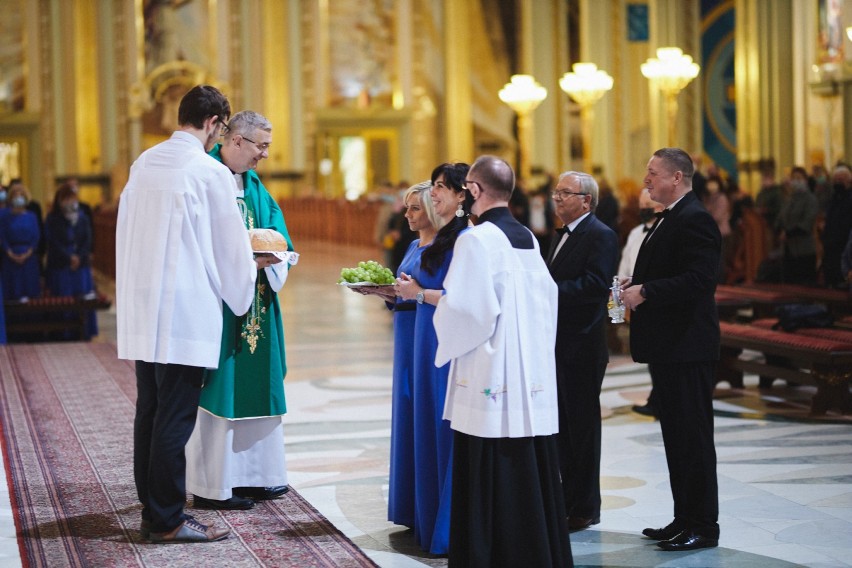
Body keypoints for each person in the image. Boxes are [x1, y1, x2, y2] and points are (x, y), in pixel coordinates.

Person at [116, 85, 260, 544]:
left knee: (151, 411)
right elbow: (229, 245)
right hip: (184, 310)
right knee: (176, 416)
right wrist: (247, 277)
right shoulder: (208, 172)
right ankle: (166, 518)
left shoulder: (145, 163)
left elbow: (126, 232)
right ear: (216, 123)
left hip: (145, 306)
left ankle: (152, 504)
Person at [433, 155, 571, 567]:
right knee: (528, 464)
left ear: (473, 191)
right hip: (527, 371)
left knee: (486, 462)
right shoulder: (527, 235)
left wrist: (440, 315)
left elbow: (468, 311)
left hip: (490, 372)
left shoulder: (476, 239)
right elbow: (549, 299)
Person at [184, 110, 294, 511]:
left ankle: (257, 477)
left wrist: (270, 259)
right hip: (219, 307)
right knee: (221, 391)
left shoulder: (255, 185)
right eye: (260, 146)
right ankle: (215, 486)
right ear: (234, 141)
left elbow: (278, 233)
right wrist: (241, 264)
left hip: (258, 304)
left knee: (258, 390)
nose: (264, 154)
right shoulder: (205, 175)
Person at [620, 147, 721, 551]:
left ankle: (704, 526)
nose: (646, 180)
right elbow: (669, 270)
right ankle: (684, 518)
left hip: (688, 346)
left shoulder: (696, 219)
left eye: (652, 173)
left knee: (693, 440)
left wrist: (647, 290)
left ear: (676, 177)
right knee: (677, 438)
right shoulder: (670, 218)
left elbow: (699, 280)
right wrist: (635, 283)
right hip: (669, 346)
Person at [394, 162, 471, 555]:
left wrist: (417, 295)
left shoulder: (462, 241)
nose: (408, 215)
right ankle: (421, 511)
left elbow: (458, 299)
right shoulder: (427, 242)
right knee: (419, 419)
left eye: (442, 187)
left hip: (439, 339)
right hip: (418, 333)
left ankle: (442, 520)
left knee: (439, 423)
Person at [358, 181, 439, 530]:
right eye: (406, 208)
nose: (406, 214)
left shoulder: (443, 248)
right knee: (407, 412)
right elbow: (403, 290)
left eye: (414, 208)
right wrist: (384, 293)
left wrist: (410, 294)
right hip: (405, 334)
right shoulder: (411, 244)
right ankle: (410, 507)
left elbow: (439, 295)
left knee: (425, 412)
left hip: (428, 332)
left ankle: (429, 507)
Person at [546, 170, 619, 532]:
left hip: (583, 344)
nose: (556, 198)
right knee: (562, 428)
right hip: (558, 343)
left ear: (586, 200)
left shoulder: (600, 235)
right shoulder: (558, 235)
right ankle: (567, 499)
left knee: (583, 430)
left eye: (565, 192)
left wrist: (545, 291)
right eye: (556, 192)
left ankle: (586, 506)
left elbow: (594, 285)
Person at [44, 182, 98, 339]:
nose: (69, 202)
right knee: (63, 301)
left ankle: (84, 332)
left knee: (82, 299)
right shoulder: (52, 218)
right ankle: (63, 332)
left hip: (80, 267)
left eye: (72, 198)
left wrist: (79, 257)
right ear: (59, 200)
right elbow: (52, 241)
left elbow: (87, 239)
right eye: (66, 198)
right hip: (61, 266)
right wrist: (69, 258)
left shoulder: (83, 218)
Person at [776, 166, 819, 284]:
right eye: (794, 178)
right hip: (788, 249)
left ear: (805, 180)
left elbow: (807, 222)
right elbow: (781, 217)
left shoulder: (810, 199)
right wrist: (780, 229)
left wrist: (789, 233)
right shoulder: (790, 199)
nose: (796, 181)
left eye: (799, 178)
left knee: (804, 285)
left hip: (804, 249)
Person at [1, 181, 42, 302]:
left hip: (28, 257)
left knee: (29, 293)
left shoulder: (31, 216)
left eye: (21, 195)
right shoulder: (5, 217)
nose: (18, 198)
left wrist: (28, 253)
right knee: (13, 293)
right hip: (10, 257)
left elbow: (36, 236)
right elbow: (3, 237)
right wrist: (10, 253)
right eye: (15, 195)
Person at [820, 164, 852, 288]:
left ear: (849, 181)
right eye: (836, 180)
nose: (838, 183)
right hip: (831, 247)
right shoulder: (834, 198)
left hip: (844, 243)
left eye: (841, 180)